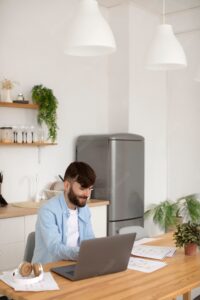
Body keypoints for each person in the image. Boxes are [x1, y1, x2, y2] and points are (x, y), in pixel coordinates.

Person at [32, 161, 96, 264]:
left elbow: (89, 239)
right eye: (83, 188)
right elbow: (55, 248)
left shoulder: (84, 209)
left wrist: (98, 250)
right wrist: (83, 253)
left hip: (75, 264)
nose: (87, 194)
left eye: (90, 188)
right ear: (67, 186)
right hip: (49, 270)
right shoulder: (47, 210)